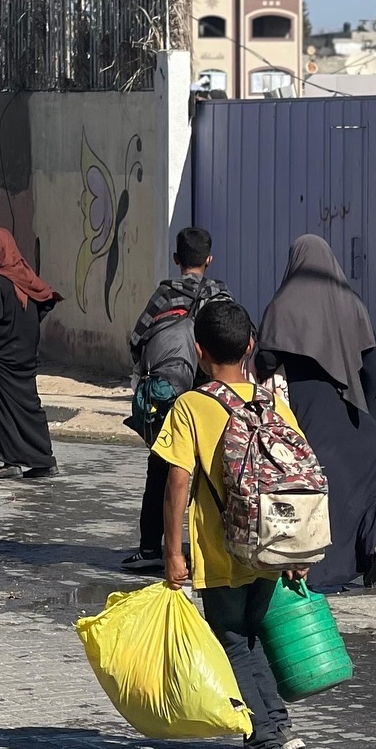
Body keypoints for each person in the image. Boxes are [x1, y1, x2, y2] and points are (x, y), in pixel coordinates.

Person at [152, 298, 304, 749]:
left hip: (221, 551)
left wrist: (172, 551)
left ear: (198, 351)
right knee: (249, 633)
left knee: (232, 642)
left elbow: (177, 482)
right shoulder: (272, 402)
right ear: (251, 345)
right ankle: (278, 728)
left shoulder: (191, 406)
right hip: (270, 546)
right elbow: (295, 480)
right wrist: (297, 551)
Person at [255, 234, 376, 591]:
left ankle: (321, 571)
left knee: (315, 493)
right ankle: (371, 543)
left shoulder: (282, 306)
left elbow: (265, 363)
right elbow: (372, 363)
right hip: (357, 423)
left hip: (309, 423)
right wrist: (364, 409)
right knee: (358, 487)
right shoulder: (353, 303)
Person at [121, 227, 230, 573]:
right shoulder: (221, 296)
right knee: (214, 469)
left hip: (169, 397)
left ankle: (151, 548)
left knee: (162, 468)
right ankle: (213, 548)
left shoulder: (165, 294)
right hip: (212, 397)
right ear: (209, 259)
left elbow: (136, 338)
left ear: (176, 259)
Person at [0, 227, 60, 478]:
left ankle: (11, 463)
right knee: (28, 405)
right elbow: (47, 299)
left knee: (3, 407)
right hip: (25, 352)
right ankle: (44, 460)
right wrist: (26, 325)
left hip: (1, 355)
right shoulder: (24, 275)